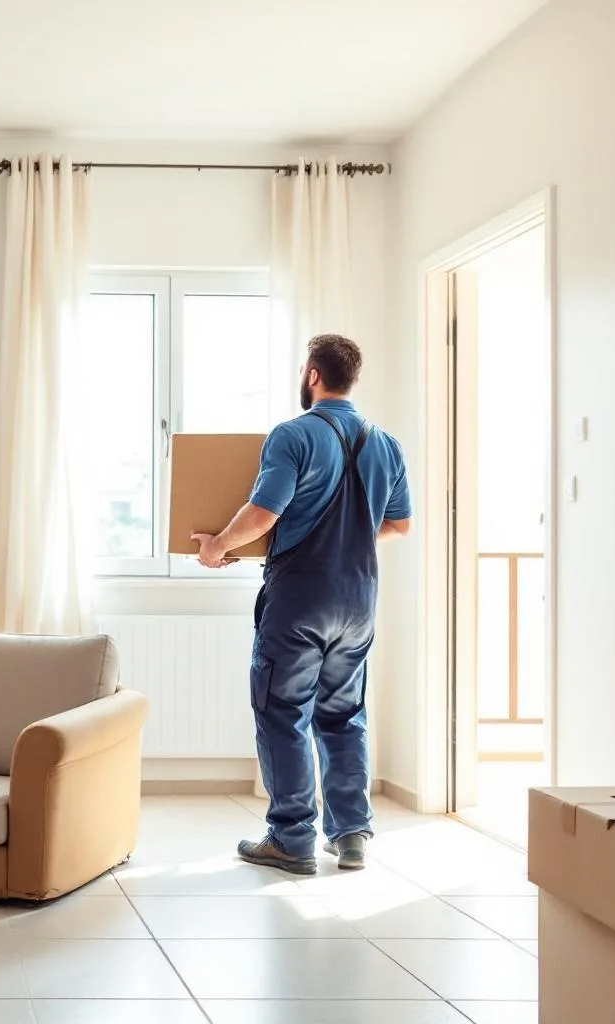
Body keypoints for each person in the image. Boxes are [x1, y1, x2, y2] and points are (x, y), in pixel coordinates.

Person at [192, 334, 411, 875]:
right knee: (343, 714)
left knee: (283, 711)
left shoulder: (293, 435)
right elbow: (399, 524)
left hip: (301, 597)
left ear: (312, 373)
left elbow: (264, 511)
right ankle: (351, 834)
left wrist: (218, 545)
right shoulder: (386, 443)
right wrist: (349, 543)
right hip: (359, 600)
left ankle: (291, 839)